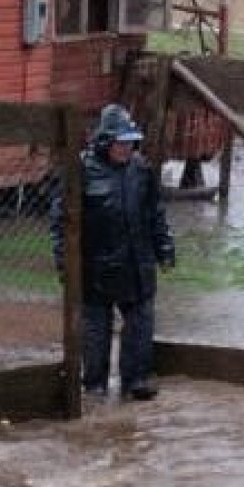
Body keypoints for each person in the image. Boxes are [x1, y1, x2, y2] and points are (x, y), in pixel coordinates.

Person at [50, 103, 176, 401]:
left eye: (131, 143)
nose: (127, 149)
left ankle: (136, 380)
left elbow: (155, 213)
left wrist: (165, 247)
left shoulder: (141, 170)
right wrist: (64, 262)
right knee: (95, 331)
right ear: (105, 141)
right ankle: (94, 384)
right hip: (97, 268)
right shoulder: (80, 170)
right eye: (121, 143)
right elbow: (61, 221)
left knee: (141, 323)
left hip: (137, 265)